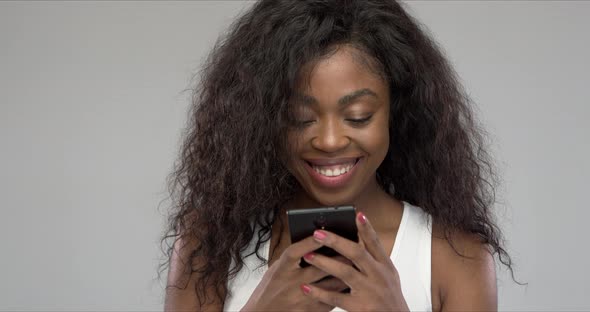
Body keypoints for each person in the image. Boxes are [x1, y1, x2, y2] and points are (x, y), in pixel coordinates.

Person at [160, 0, 515, 311]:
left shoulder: (456, 258)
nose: (329, 141)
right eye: (300, 118)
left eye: (358, 115)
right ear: (264, 120)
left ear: (396, 112)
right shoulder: (207, 245)